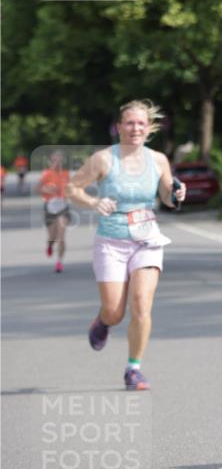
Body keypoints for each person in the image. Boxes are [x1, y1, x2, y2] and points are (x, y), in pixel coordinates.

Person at [66, 100, 186, 390]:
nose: (135, 129)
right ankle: (103, 322)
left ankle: (134, 369)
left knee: (142, 305)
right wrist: (94, 201)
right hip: (112, 241)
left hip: (147, 239)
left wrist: (177, 195)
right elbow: (72, 188)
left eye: (141, 124)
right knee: (114, 311)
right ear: (118, 127)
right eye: (129, 123)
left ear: (149, 128)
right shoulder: (104, 159)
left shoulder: (158, 160)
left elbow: (168, 196)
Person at [38, 150, 71, 273]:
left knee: (61, 237)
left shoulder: (66, 174)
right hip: (50, 207)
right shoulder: (46, 174)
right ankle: (50, 245)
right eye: (54, 160)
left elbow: (71, 188)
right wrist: (47, 189)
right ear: (51, 161)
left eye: (59, 159)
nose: (57, 162)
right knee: (52, 237)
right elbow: (38, 188)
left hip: (63, 207)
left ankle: (59, 262)